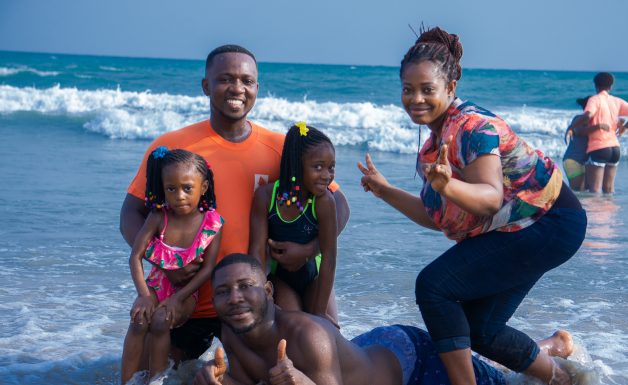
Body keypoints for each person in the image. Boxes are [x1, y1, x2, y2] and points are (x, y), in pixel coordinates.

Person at [357, 27, 587, 385]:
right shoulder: (433, 147)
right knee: (481, 328)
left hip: (550, 221)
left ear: (450, 89)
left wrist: (449, 184)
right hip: (530, 226)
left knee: (434, 287)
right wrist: (385, 190)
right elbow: (438, 218)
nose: (415, 98)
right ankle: (562, 377)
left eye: (427, 89)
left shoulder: (472, 127)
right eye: (407, 89)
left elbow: (489, 197)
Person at [120, 44, 349, 364]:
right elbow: (131, 213)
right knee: (156, 370)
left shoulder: (283, 149)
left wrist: (309, 249)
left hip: (253, 297)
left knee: (289, 366)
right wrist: (167, 263)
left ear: (257, 88)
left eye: (247, 81)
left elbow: (337, 204)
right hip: (189, 297)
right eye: (226, 78)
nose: (237, 88)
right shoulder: (173, 146)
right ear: (206, 86)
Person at [194, 254, 574, 385]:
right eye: (224, 292)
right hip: (367, 351)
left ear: (269, 292)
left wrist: (300, 381)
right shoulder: (231, 327)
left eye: (246, 286)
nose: (235, 298)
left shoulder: (307, 336)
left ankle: (551, 347)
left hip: (412, 361)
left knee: (501, 382)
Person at [121, 148, 223, 383]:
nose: (179, 196)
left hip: (186, 293)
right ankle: (125, 381)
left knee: (159, 321)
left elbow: (208, 269)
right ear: (163, 189)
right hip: (155, 286)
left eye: (187, 188)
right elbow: (135, 256)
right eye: (171, 189)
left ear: (203, 187)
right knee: (138, 319)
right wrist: (143, 295)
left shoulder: (211, 223)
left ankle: (156, 380)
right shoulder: (158, 217)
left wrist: (179, 298)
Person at [249, 122, 339, 326]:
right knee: (294, 324)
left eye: (331, 167)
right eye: (318, 167)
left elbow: (329, 258)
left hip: (313, 276)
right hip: (280, 278)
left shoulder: (324, 202)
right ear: (297, 165)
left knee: (324, 327)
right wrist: (259, 291)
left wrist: (320, 311)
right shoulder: (267, 196)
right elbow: (256, 251)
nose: (327, 175)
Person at [571, 72, 628, 193]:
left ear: (596, 86)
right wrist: (625, 128)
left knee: (595, 190)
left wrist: (571, 127)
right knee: (609, 189)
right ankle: (610, 212)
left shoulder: (594, 99)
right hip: (615, 149)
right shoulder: (617, 101)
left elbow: (588, 115)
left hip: (599, 148)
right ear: (611, 86)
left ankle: (597, 213)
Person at [562, 96, 612, 191]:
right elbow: (580, 132)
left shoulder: (595, 122)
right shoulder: (578, 119)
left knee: (585, 191)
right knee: (577, 192)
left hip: (585, 161)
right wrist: (599, 126)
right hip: (573, 160)